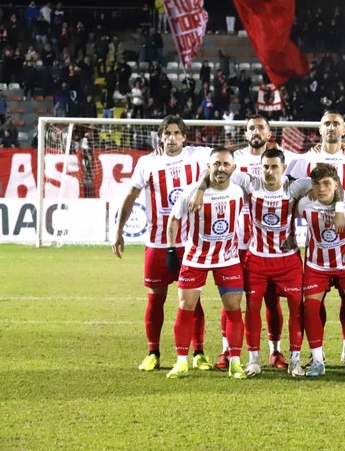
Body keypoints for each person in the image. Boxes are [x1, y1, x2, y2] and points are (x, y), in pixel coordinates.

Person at [111, 115, 211, 372]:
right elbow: (131, 195)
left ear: (184, 137)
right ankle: (153, 352)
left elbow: (226, 155)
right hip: (156, 243)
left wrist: (254, 146)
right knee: (156, 298)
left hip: (189, 244)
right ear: (160, 137)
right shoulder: (147, 163)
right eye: (167, 133)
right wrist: (118, 230)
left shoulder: (198, 156)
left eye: (177, 133)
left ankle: (199, 352)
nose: (172, 138)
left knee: (193, 300)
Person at [212, 117, 299, 371]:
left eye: (261, 127)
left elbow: (315, 172)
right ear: (245, 132)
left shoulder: (287, 158)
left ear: (269, 133)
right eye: (251, 127)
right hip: (236, 243)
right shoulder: (233, 159)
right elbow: (212, 171)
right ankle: (229, 349)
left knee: (273, 302)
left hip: (274, 247)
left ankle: (276, 351)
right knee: (233, 300)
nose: (256, 131)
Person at [288, 109, 345, 362]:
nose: (331, 128)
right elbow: (290, 194)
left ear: (344, 130)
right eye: (326, 124)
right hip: (317, 249)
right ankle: (315, 355)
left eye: (336, 124)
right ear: (319, 130)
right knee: (313, 303)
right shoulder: (303, 161)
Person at [230, 148, 314, 377]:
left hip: (288, 262)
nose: (269, 171)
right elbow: (220, 166)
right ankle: (254, 359)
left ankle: (295, 360)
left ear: (283, 169)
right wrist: (199, 189)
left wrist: (336, 207)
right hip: (256, 260)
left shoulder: (294, 186)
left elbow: (329, 180)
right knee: (253, 309)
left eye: (274, 166)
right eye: (265, 167)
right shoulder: (251, 183)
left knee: (297, 310)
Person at [164, 147, 246, 379]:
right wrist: (171, 251)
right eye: (216, 164)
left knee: (233, 310)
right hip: (196, 258)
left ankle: (235, 362)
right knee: (185, 308)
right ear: (208, 167)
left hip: (227, 258)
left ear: (234, 168)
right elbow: (173, 219)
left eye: (225, 164)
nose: (221, 168)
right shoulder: (191, 191)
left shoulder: (239, 192)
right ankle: (181, 361)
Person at [298, 163, 345, 378]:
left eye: (327, 183)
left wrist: (338, 208)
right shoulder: (304, 204)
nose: (322, 189)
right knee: (310, 309)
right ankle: (317, 360)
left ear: (336, 184)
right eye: (317, 184)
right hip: (317, 265)